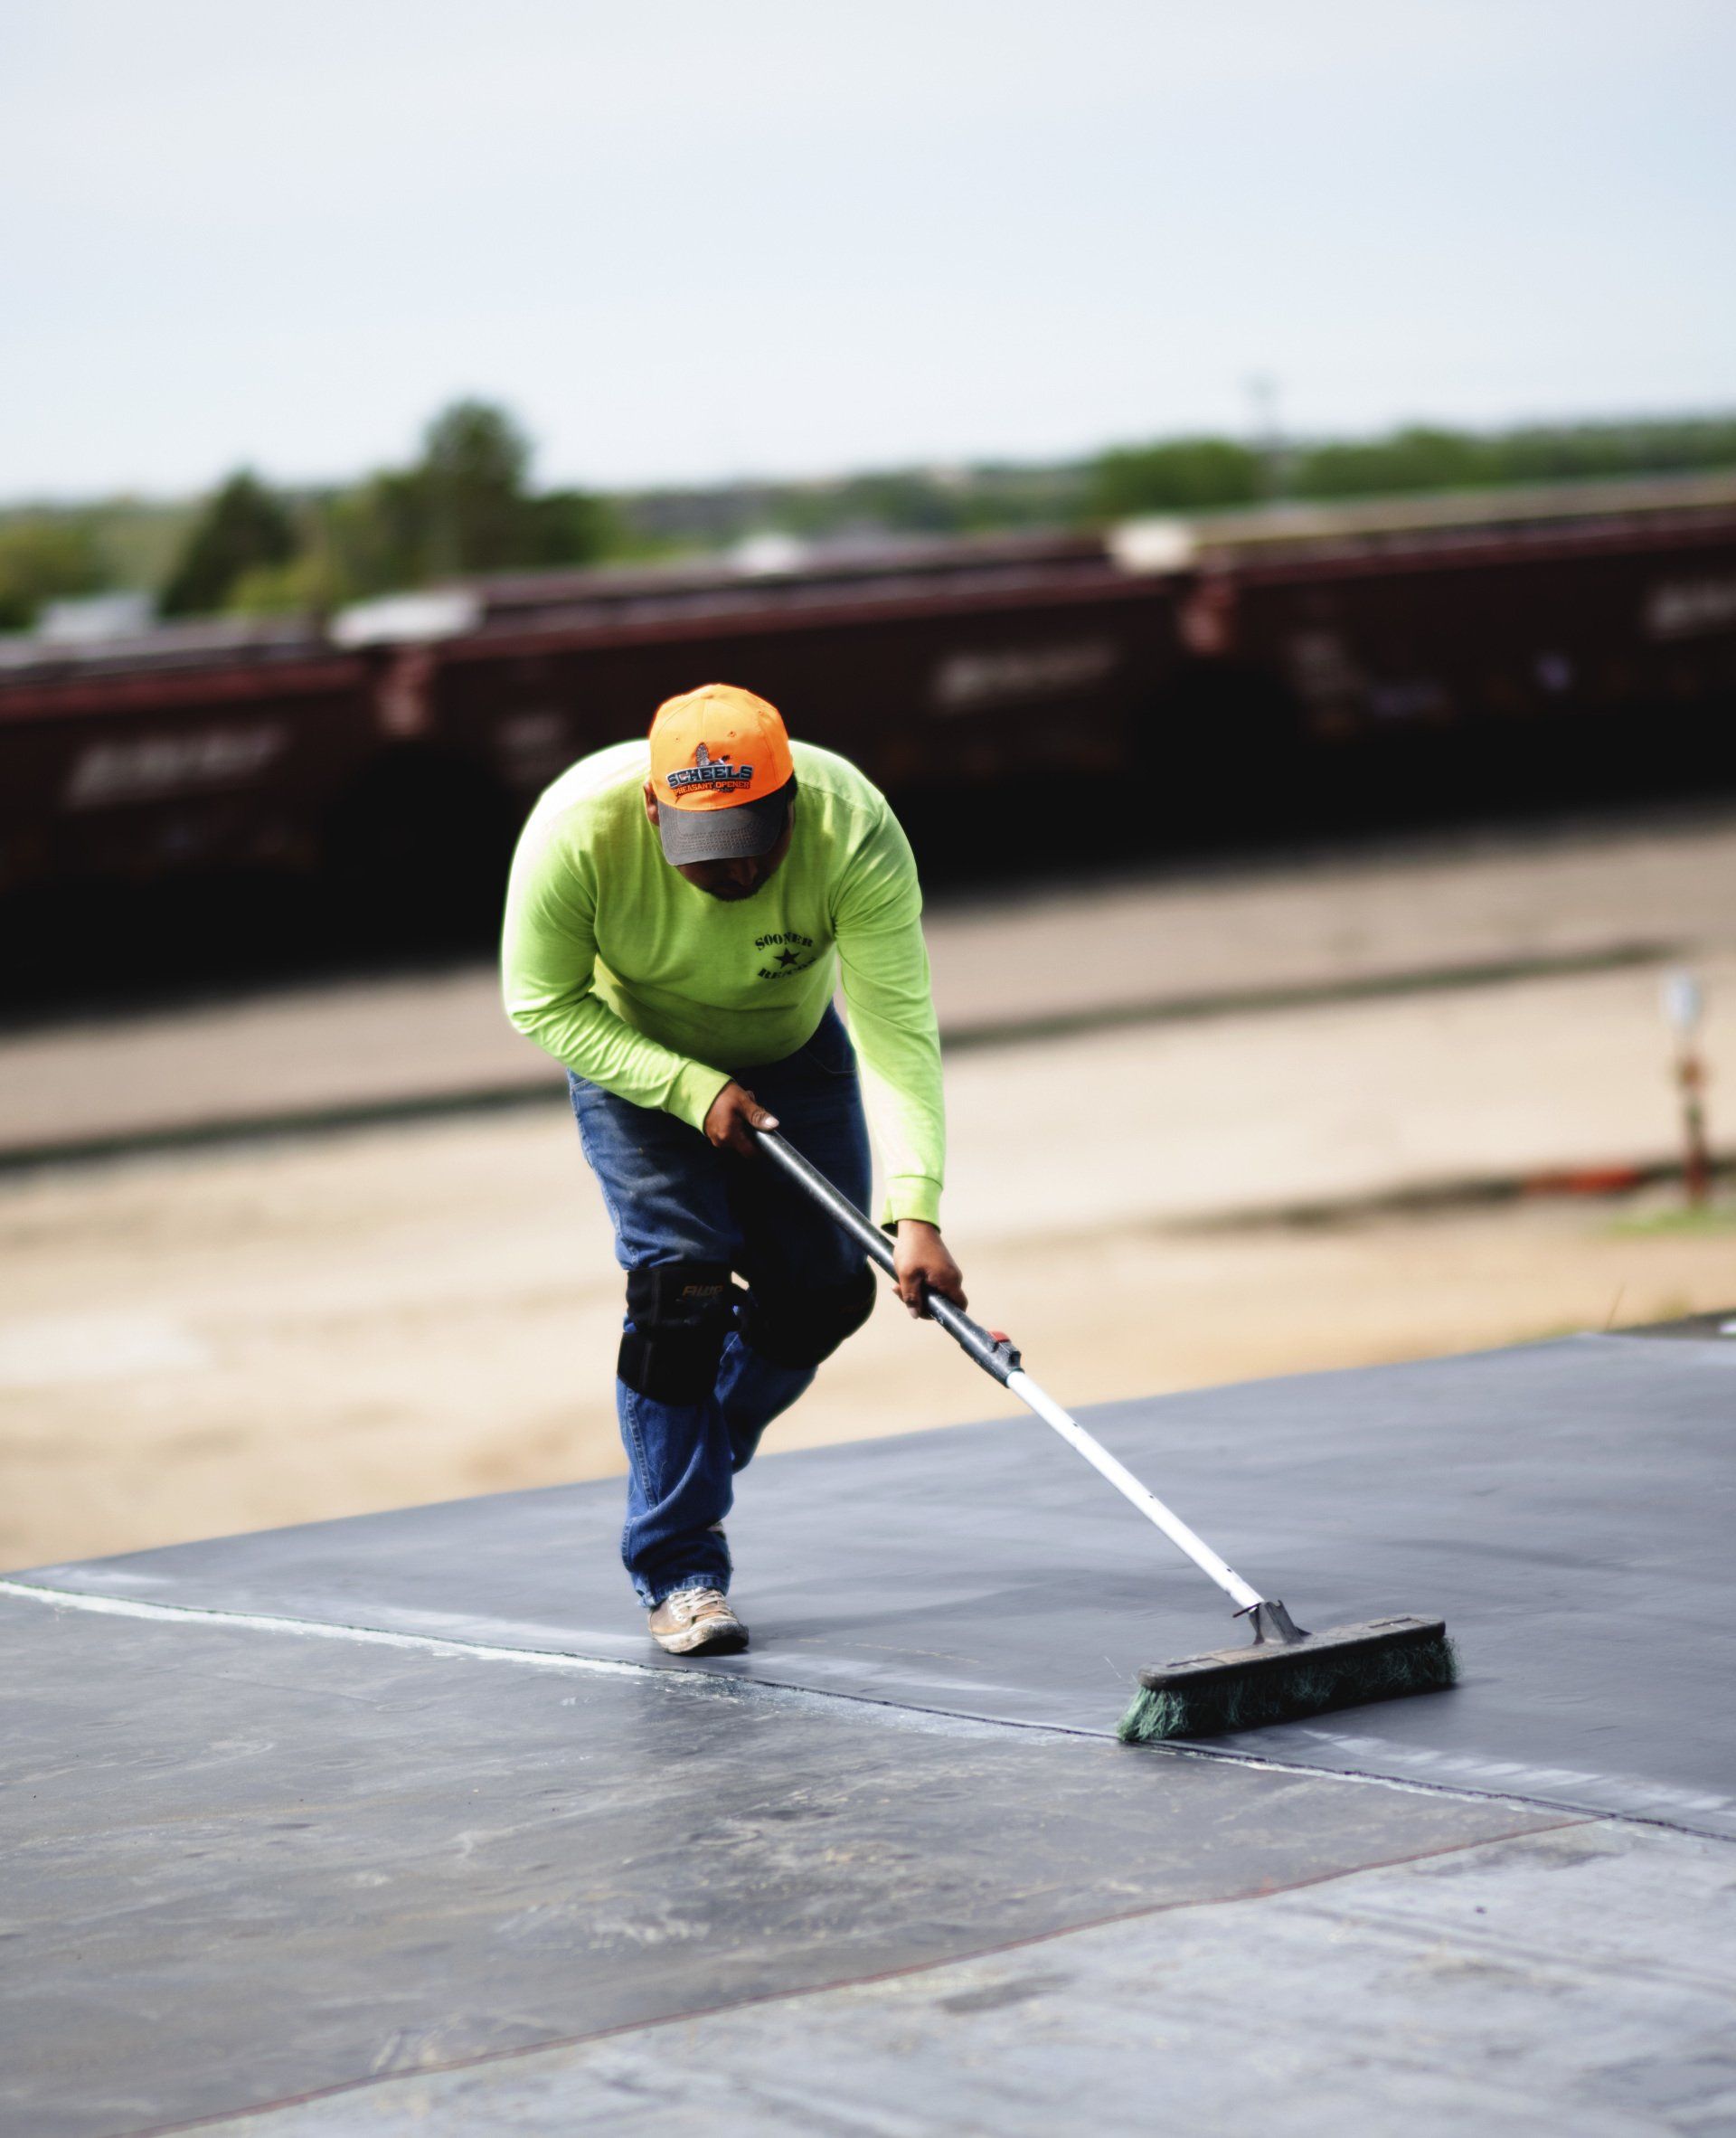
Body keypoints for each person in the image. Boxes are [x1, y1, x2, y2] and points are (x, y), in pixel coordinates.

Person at [501, 683, 965, 1656]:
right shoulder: (575, 830)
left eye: (759, 836)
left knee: (827, 1295)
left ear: (793, 800)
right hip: (636, 1061)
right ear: (654, 812)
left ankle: (695, 1450)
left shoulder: (854, 829)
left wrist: (915, 1210)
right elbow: (540, 1004)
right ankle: (680, 1568)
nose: (740, 868)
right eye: (709, 850)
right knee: (681, 1296)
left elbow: (896, 1031)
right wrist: (686, 1088)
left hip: (796, 1052)